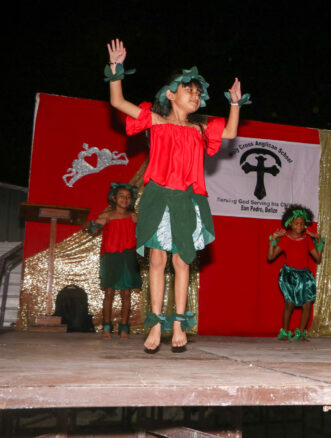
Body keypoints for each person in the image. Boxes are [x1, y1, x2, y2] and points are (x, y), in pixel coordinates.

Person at [105, 39, 247, 352]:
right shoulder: (154, 120)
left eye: (198, 92)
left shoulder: (200, 129)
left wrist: (235, 104)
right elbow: (118, 101)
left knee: (182, 261)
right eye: (188, 90)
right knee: (157, 259)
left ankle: (179, 322)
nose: (195, 95)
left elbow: (230, 132)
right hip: (158, 196)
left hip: (188, 198)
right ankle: (156, 323)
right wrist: (116, 69)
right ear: (170, 94)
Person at [90, 183, 141, 340]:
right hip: (110, 257)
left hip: (128, 256)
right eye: (121, 196)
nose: (125, 199)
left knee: (126, 294)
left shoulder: (134, 217)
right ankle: (106, 327)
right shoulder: (106, 216)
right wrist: (93, 225)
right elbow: (92, 226)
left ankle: (124, 327)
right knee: (109, 293)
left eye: (128, 197)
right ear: (114, 198)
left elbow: (145, 231)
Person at [267, 205, 324, 342]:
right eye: (296, 223)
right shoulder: (285, 239)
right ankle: (285, 332)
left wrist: (319, 241)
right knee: (289, 304)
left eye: (302, 223)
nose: (299, 226)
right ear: (290, 224)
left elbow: (318, 258)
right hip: (289, 275)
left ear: (305, 225)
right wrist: (273, 240)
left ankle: (301, 333)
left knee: (307, 305)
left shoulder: (307, 240)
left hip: (305, 276)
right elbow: (270, 257)